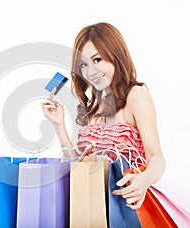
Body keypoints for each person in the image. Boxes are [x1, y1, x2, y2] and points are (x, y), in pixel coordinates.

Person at [41, 22, 166, 210]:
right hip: (94, 207)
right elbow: (80, 165)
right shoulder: (92, 107)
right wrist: (59, 126)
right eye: (84, 65)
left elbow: (157, 158)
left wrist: (144, 181)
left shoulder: (136, 95)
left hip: (129, 206)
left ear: (115, 56)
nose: (91, 72)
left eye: (97, 60)